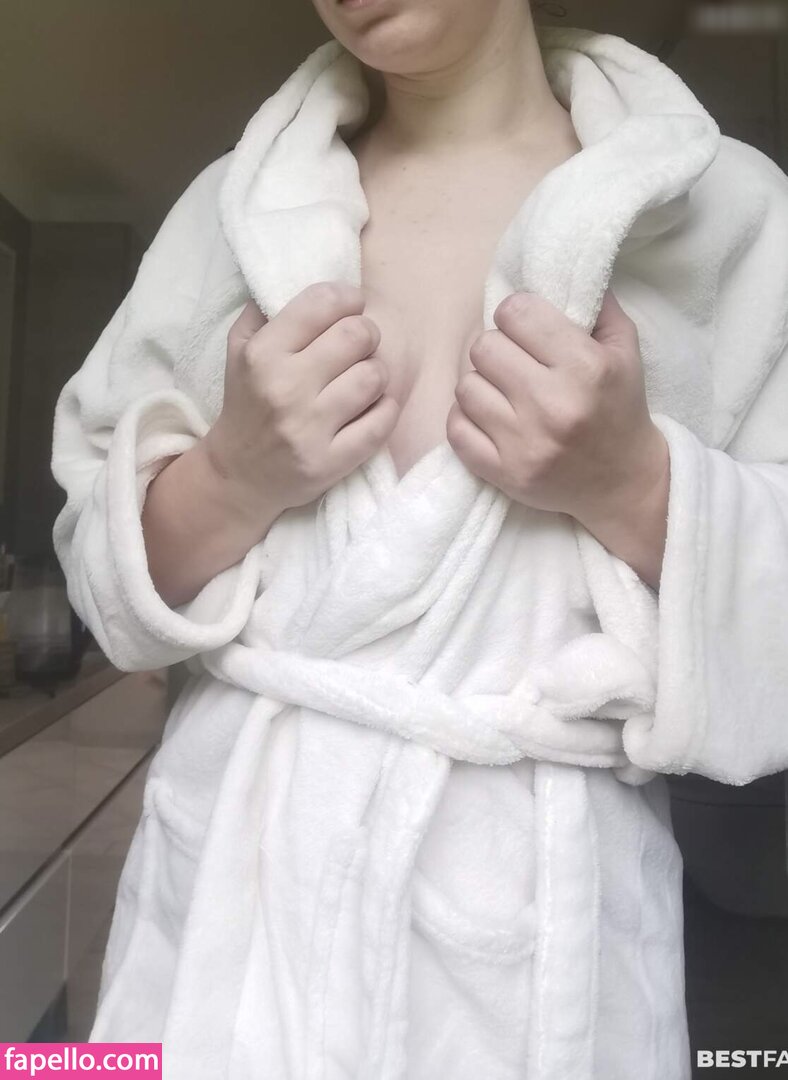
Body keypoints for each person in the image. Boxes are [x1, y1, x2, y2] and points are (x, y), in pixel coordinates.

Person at [50, 0, 788, 1077]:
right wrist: (233, 476)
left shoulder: (727, 212)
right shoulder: (233, 210)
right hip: (230, 926)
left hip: (542, 962)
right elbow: (102, 578)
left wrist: (633, 484)